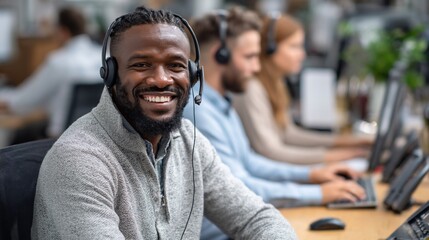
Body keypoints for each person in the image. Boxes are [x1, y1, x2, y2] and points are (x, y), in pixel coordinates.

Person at [31, 6, 299, 240]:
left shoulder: (189, 141)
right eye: (141, 65)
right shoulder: (79, 161)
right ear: (111, 74)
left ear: (193, 74)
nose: (161, 79)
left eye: (175, 65)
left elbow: (256, 218)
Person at [183, 8, 366, 240]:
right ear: (221, 55)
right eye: (249, 57)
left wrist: (311, 175)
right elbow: (240, 186)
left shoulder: (221, 103)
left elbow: (250, 163)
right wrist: (316, 193)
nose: (257, 67)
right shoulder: (199, 113)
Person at [233, 13, 373, 165]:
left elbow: (288, 134)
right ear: (270, 49)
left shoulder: (275, 83)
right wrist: (344, 155)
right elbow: (271, 151)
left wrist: (351, 143)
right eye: (294, 46)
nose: (302, 55)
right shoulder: (251, 89)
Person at [0, 6, 101, 138]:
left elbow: (24, 100)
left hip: (60, 140)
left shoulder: (59, 62)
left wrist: (4, 97)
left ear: (63, 31)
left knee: (13, 142)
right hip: (94, 137)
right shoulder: (103, 56)